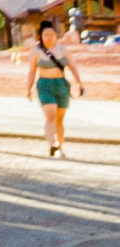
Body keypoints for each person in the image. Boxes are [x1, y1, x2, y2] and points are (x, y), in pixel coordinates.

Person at [24, 21, 84, 157]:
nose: (49, 37)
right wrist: (28, 89)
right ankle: (52, 146)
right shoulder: (35, 52)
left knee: (60, 118)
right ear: (41, 36)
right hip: (45, 85)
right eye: (46, 35)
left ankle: (60, 147)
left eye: (52, 34)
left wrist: (78, 83)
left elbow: (72, 67)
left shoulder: (63, 50)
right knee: (51, 115)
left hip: (62, 84)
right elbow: (31, 71)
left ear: (56, 35)